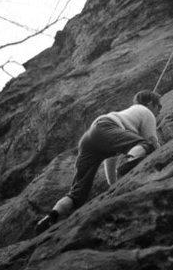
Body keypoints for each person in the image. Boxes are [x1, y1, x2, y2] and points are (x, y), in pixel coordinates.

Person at [35, 90, 161, 234]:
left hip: (90, 137)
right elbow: (151, 139)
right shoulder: (146, 111)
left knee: (77, 193)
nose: (159, 111)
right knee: (146, 145)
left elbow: (110, 161)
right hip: (106, 126)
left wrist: (114, 185)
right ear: (151, 104)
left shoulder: (127, 117)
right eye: (159, 106)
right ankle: (130, 160)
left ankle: (52, 216)